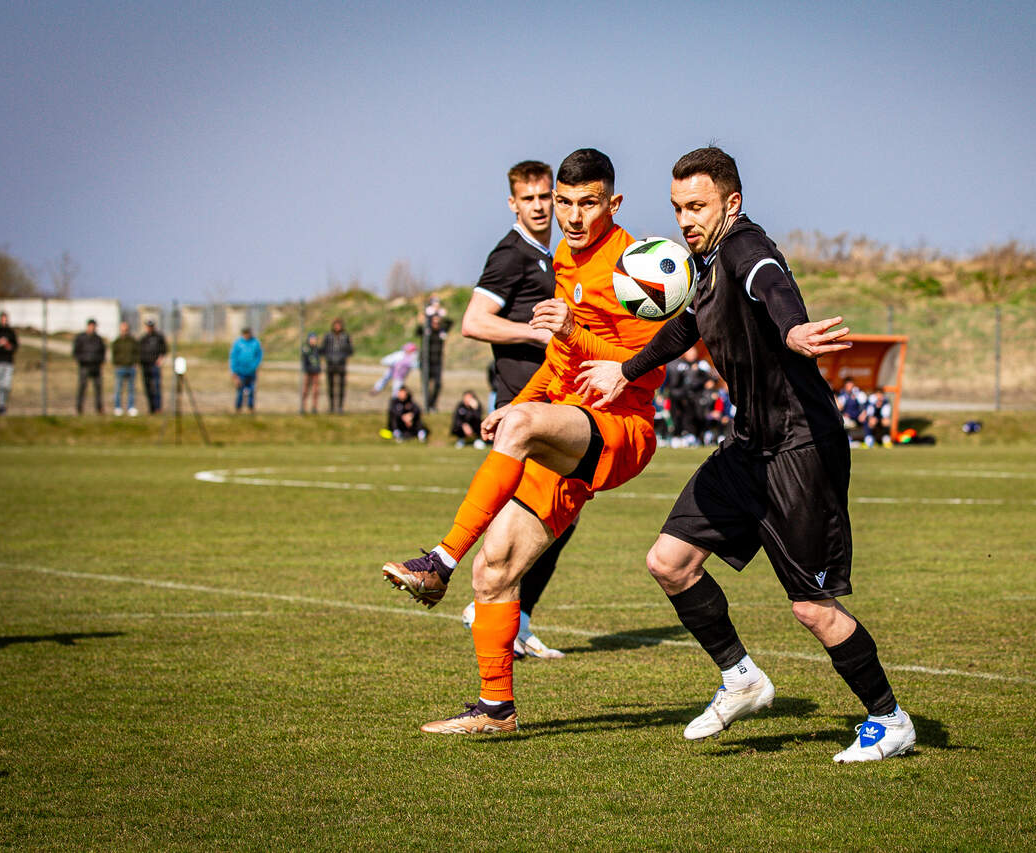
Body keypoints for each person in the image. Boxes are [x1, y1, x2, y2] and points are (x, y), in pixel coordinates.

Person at [575, 146, 915, 763]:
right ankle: (741, 678)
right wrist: (626, 370)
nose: (685, 219)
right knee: (670, 562)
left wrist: (792, 328)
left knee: (811, 608)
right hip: (749, 444)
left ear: (731, 202)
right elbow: (688, 326)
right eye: (678, 207)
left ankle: (889, 719)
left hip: (799, 447)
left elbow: (770, 283)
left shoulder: (744, 247)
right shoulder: (703, 263)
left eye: (697, 206)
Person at [381, 148, 666, 734]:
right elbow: (561, 359)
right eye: (564, 202)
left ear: (613, 203)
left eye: (589, 203)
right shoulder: (563, 256)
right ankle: (496, 709)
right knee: (495, 569)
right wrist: (519, 400)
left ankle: (439, 561)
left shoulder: (635, 264)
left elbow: (650, 367)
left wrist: (574, 337)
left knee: (522, 428)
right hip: (568, 426)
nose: (573, 216)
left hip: (621, 429)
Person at [458, 159, 570, 659]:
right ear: (513, 203)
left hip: (551, 401)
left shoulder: (554, 254)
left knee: (561, 512)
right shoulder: (511, 254)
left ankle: (517, 617)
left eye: (546, 196)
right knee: (538, 513)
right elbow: (474, 320)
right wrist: (533, 333)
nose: (540, 206)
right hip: (522, 403)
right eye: (530, 199)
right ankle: (490, 607)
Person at [416, 310, 451, 412]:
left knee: (438, 384)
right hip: (426, 362)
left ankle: (432, 405)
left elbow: (450, 322)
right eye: (434, 321)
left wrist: (441, 313)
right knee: (425, 384)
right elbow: (417, 331)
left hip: (437, 362)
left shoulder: (442, 331)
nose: (436, 323)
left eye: (438, 321)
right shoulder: (426, 330)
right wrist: (423, 319)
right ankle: (427, 405)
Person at [72, 318, 106, 415]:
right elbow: (76, 352)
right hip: (84, 366)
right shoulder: (81, 338)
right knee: (82, 388)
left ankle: (99, 408)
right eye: (91, 326)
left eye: (94, 326)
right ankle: (79, 408)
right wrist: (82, 360)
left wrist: (100, 361)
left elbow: (103, 352)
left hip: (96, 367)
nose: (92, 328)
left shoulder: (98, 339)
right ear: (88, 326)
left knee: (98, 389)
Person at [322, 318, 354, 413]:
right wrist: (328, 357)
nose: (337, 327)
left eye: (339, 325)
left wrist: (344, 355)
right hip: (330, 364)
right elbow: (323, 349)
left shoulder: (345, 336)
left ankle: (340, 407)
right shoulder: (328, 336)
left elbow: (351, 350)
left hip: (341, 364)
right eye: (336, 325)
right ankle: (331, 407)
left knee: (341, 387)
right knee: (330, 386)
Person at [138, 319, 168, 414]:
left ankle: (158, 408)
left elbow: (164, 349)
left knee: (157, 387)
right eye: (148, 326)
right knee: (147, 387)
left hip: (155, 365)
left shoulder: (159, 337)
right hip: (145, 365)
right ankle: (151, 408)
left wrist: (160, 359)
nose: (149, 328)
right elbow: (139, 351)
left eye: (151, 326)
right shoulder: (143, 338)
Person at [229, 327, 263, 413]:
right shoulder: (238, 343)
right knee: (240, 390)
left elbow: (259, 356)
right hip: (240, 371)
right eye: (245, 333)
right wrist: (234, 371)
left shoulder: (255, 343)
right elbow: (233, 358)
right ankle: (238, 407)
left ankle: (250, 407)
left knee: (252, 389)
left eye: (248, 333)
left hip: (252, 372)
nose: (247, 335)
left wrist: (255, 366)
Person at [111, 320, 140, 416]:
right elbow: (114, 354)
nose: (124, 331)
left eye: (126, 329)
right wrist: (116, 364)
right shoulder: (117, 341)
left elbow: (137, 353)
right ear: (120, 330)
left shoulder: (133, 341)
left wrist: (136, 363)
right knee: (118, 389)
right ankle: (118, 407)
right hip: (120, 368)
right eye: (123, 329)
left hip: (131, 367)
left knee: (131, 389)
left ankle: (131, 407)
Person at [300, 332, 322, 414]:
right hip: (308, 371)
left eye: (314, 339)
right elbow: (304, 360)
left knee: (315, 390)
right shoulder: (306, 349)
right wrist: (306, 369)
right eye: (311, 339)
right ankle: (303, 406)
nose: (313, 341)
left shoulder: (317, 349)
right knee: (305, 390)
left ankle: (314, 407)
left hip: (316, 372)